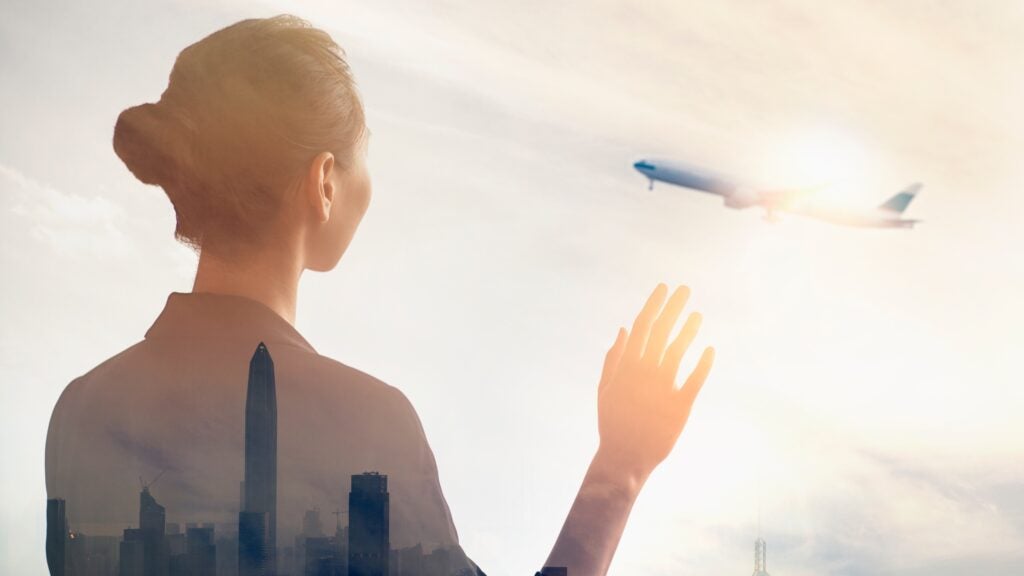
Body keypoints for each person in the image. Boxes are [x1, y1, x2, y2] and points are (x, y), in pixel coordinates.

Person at [44, 14, 714, 576]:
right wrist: (619, 469)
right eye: (364, 155)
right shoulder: (365, 423)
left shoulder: (80, 411)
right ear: (325, 181)